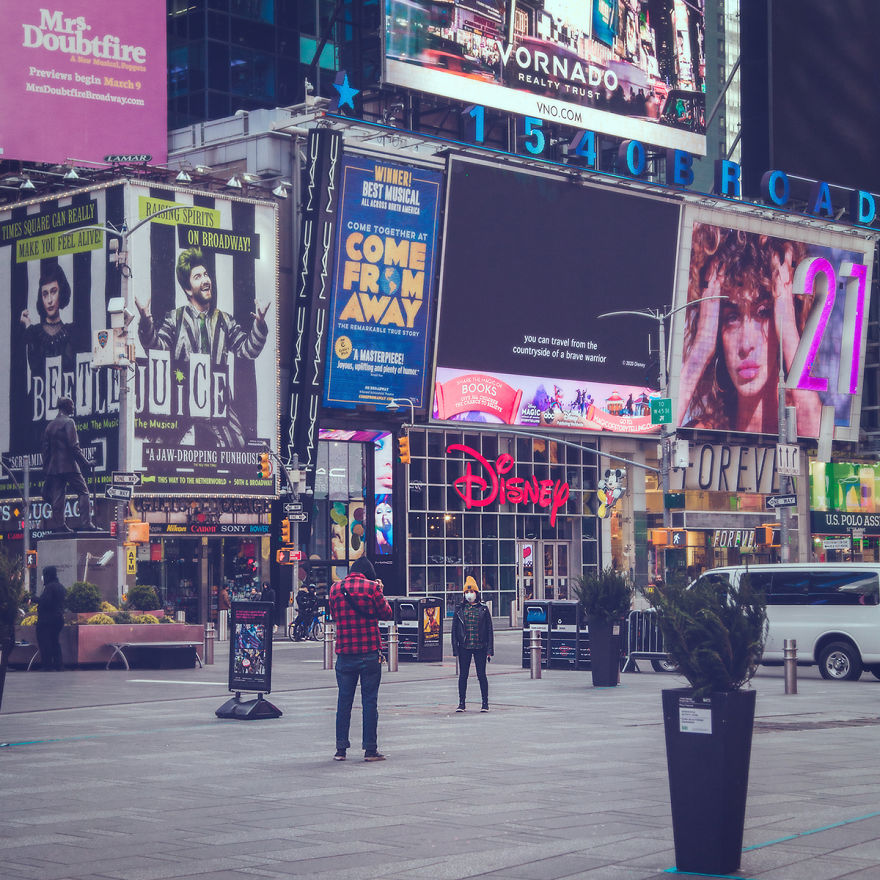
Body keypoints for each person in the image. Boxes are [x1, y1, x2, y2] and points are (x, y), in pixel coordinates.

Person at [677, 224, 821, 436]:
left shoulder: (804, 423)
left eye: (763, 312)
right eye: (732, 317)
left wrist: (789, 327)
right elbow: (651, 443)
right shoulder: (703, 432)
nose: (746, 344)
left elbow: (822, 451)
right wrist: (700, 348)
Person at [135, 246, 271, 447]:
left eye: (206, 274)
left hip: (217, 401)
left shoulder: (225, 320)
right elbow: (158, 349)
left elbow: (247, 351)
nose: (206, 280)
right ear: (188, 288)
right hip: (182, 399)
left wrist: (259, 324)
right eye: (197, 276)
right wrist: (146, 323)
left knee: (238, 443)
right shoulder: (175, 319)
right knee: (160, 446)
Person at [328, 557, 393, 762]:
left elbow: (334, 615)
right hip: (369, 653)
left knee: (343, 702)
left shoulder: (335, 589)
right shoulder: (372, 588)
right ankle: (370, 749)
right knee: (369, 702)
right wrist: (379, 590)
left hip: (345, 653)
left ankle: (341, 749)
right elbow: (387, 613)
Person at [41, 396, 96, 532]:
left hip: (54, 468)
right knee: (83, 492)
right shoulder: (69, 422)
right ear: (65, 406)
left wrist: (46, 471)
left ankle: (60, 525)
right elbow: (74, 446)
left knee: (58, 497)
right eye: (72, 405)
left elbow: (46, 452)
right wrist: (86, 463)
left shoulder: (50, 426)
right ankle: (86, 523)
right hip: (69, 466)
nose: (73, 407)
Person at [20, 264, 76, 382]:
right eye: (45, 294)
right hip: (38, 399)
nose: (49, 300)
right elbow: (35, 369)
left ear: (61, 293)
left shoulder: (71, 332)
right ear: (41, 298)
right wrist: (28, 325)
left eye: (54, 292)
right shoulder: (33, 332)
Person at [451, 575, 494, 712]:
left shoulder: (483, 609)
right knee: (463, 675)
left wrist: (489, 649)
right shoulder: (460, 609)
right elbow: (454, 630)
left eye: (472, 592)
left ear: (477, 593)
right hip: (464, 646)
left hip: (480, 646)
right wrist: (455, 649)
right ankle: (461, 703)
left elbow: (489, 630)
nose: (469, 595)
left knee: (481, 675)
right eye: (467, 592)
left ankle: (485, 703)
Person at [36, 565, 66, 671]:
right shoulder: (60, 586)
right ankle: (58, 664)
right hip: (58, 619)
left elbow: (46, 602)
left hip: (47, 620)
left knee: (45, 642)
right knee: (54, 642)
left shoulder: (49, 587)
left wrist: (35, 599)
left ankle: (47, 665)